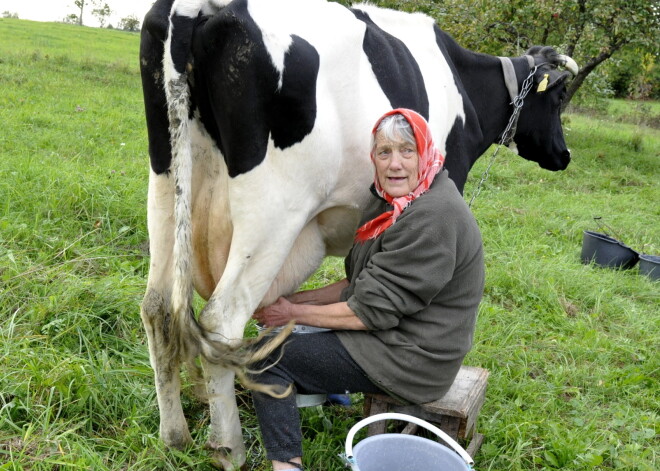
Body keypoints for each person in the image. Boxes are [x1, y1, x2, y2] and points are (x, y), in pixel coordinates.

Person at [251, 108, 485, 470]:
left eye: (407, 151)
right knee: (286, 329)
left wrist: (291, 314)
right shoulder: (387, 201)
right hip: (395, 333)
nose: (395, 164)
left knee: (266, 356)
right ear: (373, 157)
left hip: (415, 358)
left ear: (425, 153)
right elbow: (357, 284)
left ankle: (287, 466)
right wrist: (289, 301)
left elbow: (366, 312)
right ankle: (328, 389)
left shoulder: (433, 217)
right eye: (385, 152)